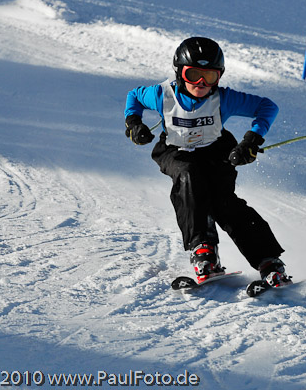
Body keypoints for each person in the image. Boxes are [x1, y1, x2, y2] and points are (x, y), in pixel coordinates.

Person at [123, 36, 292, 287]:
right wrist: (134, 124)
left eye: (210, 77)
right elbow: (134, 97)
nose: (201, 84)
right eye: (193, 75)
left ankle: (268, 261)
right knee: (188, 177)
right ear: (180, 73)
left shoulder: (223, 98)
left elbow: (267, 107)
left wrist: (251, 141)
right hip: (175, 151)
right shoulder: (161, 95)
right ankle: (203, 250)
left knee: (224, 202)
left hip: (216, 152)